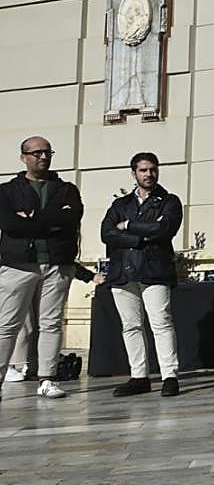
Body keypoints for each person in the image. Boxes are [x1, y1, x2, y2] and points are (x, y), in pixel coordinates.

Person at [0, 136, 84, 400]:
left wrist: (32, 218)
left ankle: (47, 379)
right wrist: (51, 221)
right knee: (7, 324)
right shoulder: (7, 191)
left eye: (47, 152)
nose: (43, 157)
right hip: (19, 265)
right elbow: (9, 224)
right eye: (37, 153)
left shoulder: (66, 190)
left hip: (57, 264)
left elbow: (71, 219)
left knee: (51, 323)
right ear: (23, 156)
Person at [102, 152, 184, 397]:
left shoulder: (169, 201)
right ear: (134, 173)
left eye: (153, 169)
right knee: (131, 326)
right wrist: (142, 236)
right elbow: (106, 233)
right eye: (143, 170)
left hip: (154, 270)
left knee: (161, 322)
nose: (149, 174)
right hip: (123, 271)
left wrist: (126, 226)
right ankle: (139, 376)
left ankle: (170, 375)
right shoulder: (120, 205)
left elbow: (163, 229)